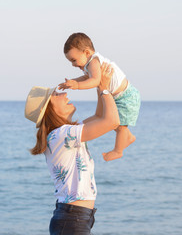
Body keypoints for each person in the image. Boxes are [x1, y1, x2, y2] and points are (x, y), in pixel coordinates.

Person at [25, 63, 119, 235]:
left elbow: (100, 116)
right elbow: (111, 121)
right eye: (56, 94)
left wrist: (99, 83)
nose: (64, 93)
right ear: (49, 109)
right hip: (72, 219)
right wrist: (105, 89)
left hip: (75, 218)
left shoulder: (64, 134)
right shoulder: (62, 135)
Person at [59, 32, 141, 162]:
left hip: (125, 96)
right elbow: (87, 77)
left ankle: (118, 151)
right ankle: (128, 137)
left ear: (86, 52)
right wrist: (73, 82)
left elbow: (96, 81)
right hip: (119, 96)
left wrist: (77, 85)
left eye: (74, 60)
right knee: (113, 121)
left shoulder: (94, 62)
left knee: (120, 125)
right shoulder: (89, 65)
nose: (73, 65)